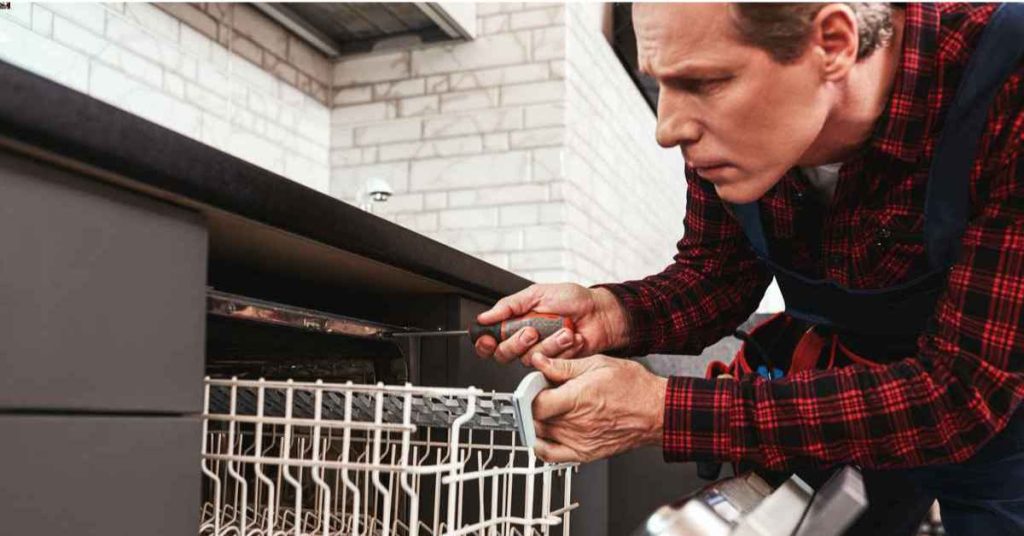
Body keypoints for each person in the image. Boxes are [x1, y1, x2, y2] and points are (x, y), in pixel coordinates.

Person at [473, 3, 1024, 535]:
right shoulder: (730, 142)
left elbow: (963, 393)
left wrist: (663, 410)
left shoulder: (1007, 81)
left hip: (996, 420)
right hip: (837, 406)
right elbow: (715, 274)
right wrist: (613, 313)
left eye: (703, 83)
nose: (667, 128)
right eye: (661, 82)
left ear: (833, 43)